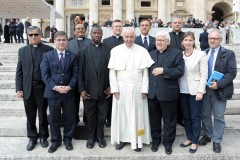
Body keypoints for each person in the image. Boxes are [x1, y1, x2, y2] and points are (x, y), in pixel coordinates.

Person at [109, 28, 154, 152]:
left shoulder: (142, 51)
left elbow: (146, 73)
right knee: (122, 115)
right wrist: (115, 89)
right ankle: (123, 139)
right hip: (121, 88)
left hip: (138, 88)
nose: (129, 39)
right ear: (123, 37)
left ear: (135, 38)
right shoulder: (115, 51)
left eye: (131, 37)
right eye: (126, 37)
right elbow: (112, 73)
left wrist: (145, 90)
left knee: (138, 116)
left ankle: (138, 139)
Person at [15, 26, 54, 151]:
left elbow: (52, 71)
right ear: (27, 36)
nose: (33, 37)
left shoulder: (49, 49)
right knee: (30, 115)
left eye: (36, 34)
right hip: (27, 88)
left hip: (42, 88)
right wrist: (19, 88)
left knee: (43, 114)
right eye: (30, 35)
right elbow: (19, 71)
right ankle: (32, 138)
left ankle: (43, 137)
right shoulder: (22, 50)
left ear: (40, 35)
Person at [199, 29, 237, 153]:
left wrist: (219, 84)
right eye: (210, 38)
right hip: (205, 90)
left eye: (215, 38)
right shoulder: (203, 53)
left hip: (219, 90)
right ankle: (208, 135)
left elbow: (232, 73)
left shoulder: (228, 53)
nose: (212, 40)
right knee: (205, 115)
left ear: (220, 40)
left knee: (219, 116)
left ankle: (217, 140)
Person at [41, 31, 78, 153]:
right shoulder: (47, 55)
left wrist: (70, 86)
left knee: (69, 118)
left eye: (64, 40)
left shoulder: (72, 56)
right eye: (59, 40)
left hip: (69, 93)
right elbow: (45, 75)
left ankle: (68, 140)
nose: (61, 42)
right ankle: (55, 141)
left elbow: (75, 74)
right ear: (54, 41)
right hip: (53, 93)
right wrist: (55, 87)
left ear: (67, 41)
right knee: (54, 119)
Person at [148, 31, 184, 154]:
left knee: (169, 121)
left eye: (161, 40)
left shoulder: (176, 53)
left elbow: (180, 71)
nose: (158, 42)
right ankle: (156, 140)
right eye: (157, 40)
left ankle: (168, 143)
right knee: (154, 120)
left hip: (168, 94)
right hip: (152, 94)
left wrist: (164, 70)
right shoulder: (150, 54)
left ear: (167, 41)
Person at [78, 25, 111, 149]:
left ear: (102, 35)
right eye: (94, 33)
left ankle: (100, 137)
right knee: (90, 116)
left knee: (102, 116)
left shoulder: (108, 50)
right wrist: (81, 89)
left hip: (104, 90)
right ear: (90, 34)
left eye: (99, 33)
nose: (97, 35)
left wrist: (111, 86)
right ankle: (91, 137)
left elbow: (111, 71)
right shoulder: (83, 52)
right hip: (88, 91)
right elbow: (80, 73)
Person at [179, 31, 208, 154]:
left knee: (195, 117)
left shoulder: (201, 54)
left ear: (194, 41)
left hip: (195, 91)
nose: (188, 42)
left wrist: (200, 91)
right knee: (186, 117)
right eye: (185, 40)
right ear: (182, 42)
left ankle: (195, 141)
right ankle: (189, 137)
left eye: (190, 40)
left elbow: (204, 74)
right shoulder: (179, 55)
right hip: (181, 90)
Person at [67, 23, 91, 124]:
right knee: (73, 102)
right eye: (78, 29)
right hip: (73, 77)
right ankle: (75, 120)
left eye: (82, 29)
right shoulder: (69, 43)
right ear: (74, 32)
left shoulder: (91, 42)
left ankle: (87, 120)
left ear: (85, 31)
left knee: (88, 102)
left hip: (88, 78)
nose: (80, 30)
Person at [102, 19, 124, 128]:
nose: (118, 28)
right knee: (109, 100)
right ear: (112, 28)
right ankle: (109, 120)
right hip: (109, 73)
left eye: (120, 26)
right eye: (116, 26)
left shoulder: (126, 40)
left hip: (123, 74)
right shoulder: (105, 41)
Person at [169, 16, 185, 126]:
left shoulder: (186, 36)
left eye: (179, 23)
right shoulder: (167, 36)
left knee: (182, 95)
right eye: (175, 22)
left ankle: (181, 118)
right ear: (171, 24)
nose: (177, 24)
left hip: (184, 68)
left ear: (182, 25)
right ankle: (173, 118)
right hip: (171, 69)